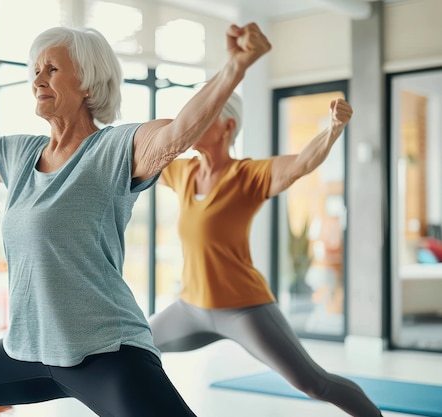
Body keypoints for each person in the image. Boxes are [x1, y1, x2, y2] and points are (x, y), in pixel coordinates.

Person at [0, 22, 271, 417]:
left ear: (88, 83)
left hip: (104, 350)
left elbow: (178, 132)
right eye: (36, 70)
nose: (38, 80)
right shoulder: (20, 154)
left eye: (52, 70)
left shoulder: (116, 148)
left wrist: (234, 67)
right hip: (29, 350)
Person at [149, 92, 383, 417]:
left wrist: (333, 129)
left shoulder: (248, 176)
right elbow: (140, 154)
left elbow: (301, 163)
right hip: (190, 308)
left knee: (314, 383)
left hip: (244, 310)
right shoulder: (183, 172)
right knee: (133, 348)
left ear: (227, 127)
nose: (192, 122)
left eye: (204, 116)